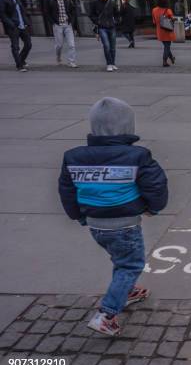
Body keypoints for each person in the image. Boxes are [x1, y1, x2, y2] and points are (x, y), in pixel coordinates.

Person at [58, 97, 168, 336]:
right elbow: (156, 186)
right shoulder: (137, 156)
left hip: (95, 225)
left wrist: (78, 216)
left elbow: (66, 190)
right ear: (128, 126)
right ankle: (107, 314)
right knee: (130, 264)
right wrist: (154, 208)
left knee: (120, 260)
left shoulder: (73, 157)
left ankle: (126, 291)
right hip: (125, 224)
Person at [0, 0, 32, 72]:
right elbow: (2, 14)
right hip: (13, 26)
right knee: (15, 46)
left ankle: (21, 60)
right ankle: (19, 65)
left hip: (22, 25)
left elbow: (21, 10)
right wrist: (11, 24)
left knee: (28, 44)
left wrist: (26, 22)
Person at [45, 0, 77, 68]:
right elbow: (47, 13)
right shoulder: (50, 0)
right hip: (57, 25)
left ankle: (71, 61)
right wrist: (53, 22)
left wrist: (71, 21)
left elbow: (73, 10)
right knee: (59, 45)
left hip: (68, 25)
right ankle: (58, 57)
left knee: (72, 45)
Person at [89, 0, 120, 72]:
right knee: (106, 46)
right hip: (102, 28)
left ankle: (113, 63)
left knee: (113, 47)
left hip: (112, 27)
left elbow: (117, 14)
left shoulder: (112, 3)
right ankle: (109, 64)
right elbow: (91, 15)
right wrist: (97, 22)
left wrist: (116, 21)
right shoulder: (94, 3)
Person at [152, 0, 176, 67]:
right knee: (167, 46)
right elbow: (172, 19)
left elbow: (154, 22)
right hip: (167, 30)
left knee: (166, 45)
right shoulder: (168, 10)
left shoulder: (154, 10)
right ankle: (164, 61)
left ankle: (171, 57)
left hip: (159, 30)